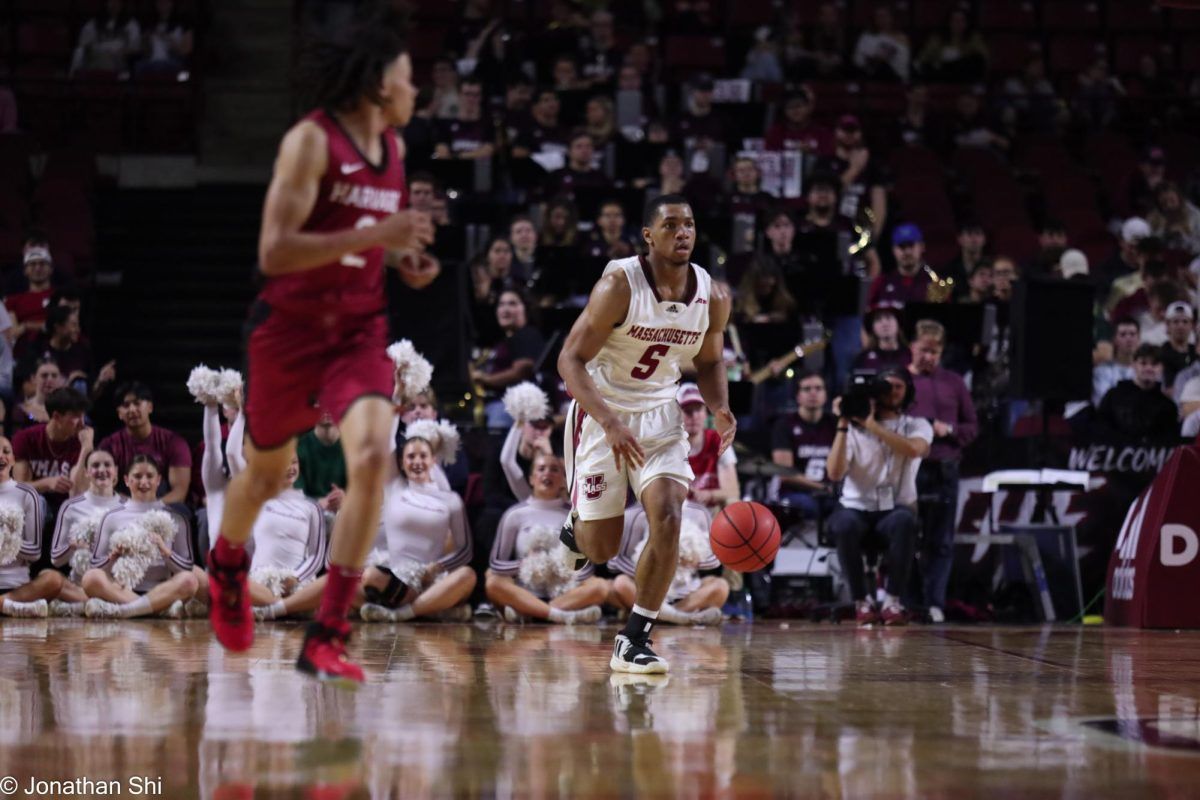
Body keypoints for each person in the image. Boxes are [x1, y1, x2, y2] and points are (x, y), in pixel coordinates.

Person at [205, 4, 434, 684]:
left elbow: (371, 245)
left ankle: (328, 631)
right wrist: (377, 239)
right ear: (377, 84)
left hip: (359, 332)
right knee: (268, 476)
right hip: (290, 331)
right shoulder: (310, 142)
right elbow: (275, 251)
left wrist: (405, 261)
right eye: (409, 77)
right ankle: (227, 563)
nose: (418, 91)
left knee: (371, 460)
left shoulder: (395, 150)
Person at [557, 194, 735, 673]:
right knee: (601, 549)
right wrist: (609, 422)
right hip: (602, 414)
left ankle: (634, 638)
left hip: (660, 414)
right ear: (648, 235)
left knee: (671, 516)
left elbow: (711, 360)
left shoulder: (712, 295)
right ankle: (578, 527)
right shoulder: (619, 285)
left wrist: (719, 406)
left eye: (690, 224)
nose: (683, 233)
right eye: (671, 224)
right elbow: (569, 360)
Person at [826, 368, 932, 626]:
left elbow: (913, 449)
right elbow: (834, 473)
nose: (893, 392)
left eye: (899, 386)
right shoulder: (851, 429)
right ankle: (862, 601)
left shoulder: (917, 424)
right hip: (856, 508)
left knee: (904, 521)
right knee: (843, 524)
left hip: (895, 508)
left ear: (908, 392)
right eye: (888, 386)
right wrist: (843, 422)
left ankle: (892, 601)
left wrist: (872, 424)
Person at [355, 436, 474, 622]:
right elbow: (387, 446)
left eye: (423, 456)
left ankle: (401, 613)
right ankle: (431, 609)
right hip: (396, 580)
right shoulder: (394, 492)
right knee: (367, 576)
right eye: (411, 457)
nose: (417, 462)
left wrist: (437, 567)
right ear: (402, 463)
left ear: (433, 460)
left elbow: (465, 549)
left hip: (432, 580)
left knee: (468, 575)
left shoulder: (451, 499)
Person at [485, 451, 608, 624]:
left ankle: (532, 612)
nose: (547, 473)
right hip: (524, 591)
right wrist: (526, 563)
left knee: (600, 587)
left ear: (563, 480)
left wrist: (563, 569)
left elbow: (587, 568)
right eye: (541, 469)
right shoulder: (514, 514)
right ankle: (558, 616)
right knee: (493, 582)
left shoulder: (574, 515)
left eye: (555, 470)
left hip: (564, 592)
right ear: (531, 479)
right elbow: (496, 564)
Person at [907, 320, 977, 621]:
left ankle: (935, 602)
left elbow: (972, 427)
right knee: (906, 536)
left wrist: (947, 430)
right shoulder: (900, 381)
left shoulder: (954, 382)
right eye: (924, 350)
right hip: (910, 467)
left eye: (935, 352)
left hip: (946, 467)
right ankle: (909, 602)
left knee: (941, 540)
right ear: (912, 347)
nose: (929, 357)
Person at [81, 454, 198, 619]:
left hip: (162, 590)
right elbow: (95, 564)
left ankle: (125, 611)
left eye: (150, 476)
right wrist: (112, 557)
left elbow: (187, 566)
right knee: (90, 578)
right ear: (127, 480)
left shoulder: (176, 518)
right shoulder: (111, 516)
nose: (144, 482)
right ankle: (156, 610)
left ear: (158, 480)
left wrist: (165, 551)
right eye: (137, 476)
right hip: (121, 589)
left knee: (190, 580)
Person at [609, 499, 727, 625]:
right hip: (647, 590)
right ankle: (685, 618)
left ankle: (663, 615)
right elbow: (613, 563)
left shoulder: (699, 512)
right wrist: (650, 566)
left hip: (686, 591)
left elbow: (714, 561)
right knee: (620, 584)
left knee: (721, 586)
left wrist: (693, 560)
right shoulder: (632, 515)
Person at [0, 436, 70, 618]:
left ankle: (5, 602)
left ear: (13, 459)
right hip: (17, 597)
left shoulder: (27, 493)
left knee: (53, 580)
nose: (1, 456)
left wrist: (7, 540)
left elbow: (35, 552)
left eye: (6, 452)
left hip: (17, 585)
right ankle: (10, 607)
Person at [49, 447, 123, 615]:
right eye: (95, 465)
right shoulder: (71, 506)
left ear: (116, 471)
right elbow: (55, 559)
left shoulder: (127, 506)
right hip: (80, 584)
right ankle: (101, 605)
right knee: (49, 577)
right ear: (87, 472)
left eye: (107, 465)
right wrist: (72, 547)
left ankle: (85, 607)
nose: (102, 470)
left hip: (116, 584)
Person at [98, 382, 192, 505]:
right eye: (126, 405)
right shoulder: (108, 445)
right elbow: (104, 488)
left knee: (180, 509)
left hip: (163, 505)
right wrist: (134, 507)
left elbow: (179, 491)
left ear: (150, 407)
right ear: (119, 413)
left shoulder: (173, 442)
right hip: (123, 505)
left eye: (137, 403)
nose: (132, 409)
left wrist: (151, 508)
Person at [471, 289, 545, 430]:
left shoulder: (527, 335)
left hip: (508, 408)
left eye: (512, 304)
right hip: (493, 404)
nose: (505, 309)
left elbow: (521, 371)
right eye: (501, 304)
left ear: (525, 309)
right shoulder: (504, 339)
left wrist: (485, 378)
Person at [12, 387, 91, 512]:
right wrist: (47, 483)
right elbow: (19, 489)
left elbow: (79, 494)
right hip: (33, 508)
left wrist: (86, 450)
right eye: (76, 416)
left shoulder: (82, 442)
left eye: (83, 416)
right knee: (38, 502)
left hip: (68, 509)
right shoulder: (25, 439)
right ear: (57, 416)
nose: (82, 423)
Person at [1096, 344, 1179, 442]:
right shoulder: (1113, 397)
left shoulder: (1168, 406)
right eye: (1143, 363)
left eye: (1154, 364)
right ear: (1134, 365)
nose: (1149, 368)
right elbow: (1100, 430)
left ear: (1161, 368)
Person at [677, 383, 739, 511]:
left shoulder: (718, 442)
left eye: (698, 409)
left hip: (710, 512)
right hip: (679, 512)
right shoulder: (669, 446)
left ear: (706, 414)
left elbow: (733, 491)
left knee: (732, 502)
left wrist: (709, 495)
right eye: (688, 411)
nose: (694, 416)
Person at [852, 302, 911, 372]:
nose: (884, 323)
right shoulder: (862, 359)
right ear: (872, 327)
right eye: (878, 319)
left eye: (888, 318)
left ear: (898, 323)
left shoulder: (911, 355)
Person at [1094, 317, 1140, 406]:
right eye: (1123, 334)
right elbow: (1103, 402)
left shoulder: (1147, 369)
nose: (1128, 339)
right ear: (1114, 339)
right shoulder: (1101, 371)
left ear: (1139, 338)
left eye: (1132, 334)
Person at [1160, 302, 1197, 391]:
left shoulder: (1196, 353)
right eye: (1176, 322)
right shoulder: (1160, 354)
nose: (1181, 326)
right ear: (1168, 325)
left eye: (1185, 322)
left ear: (1192, 325)